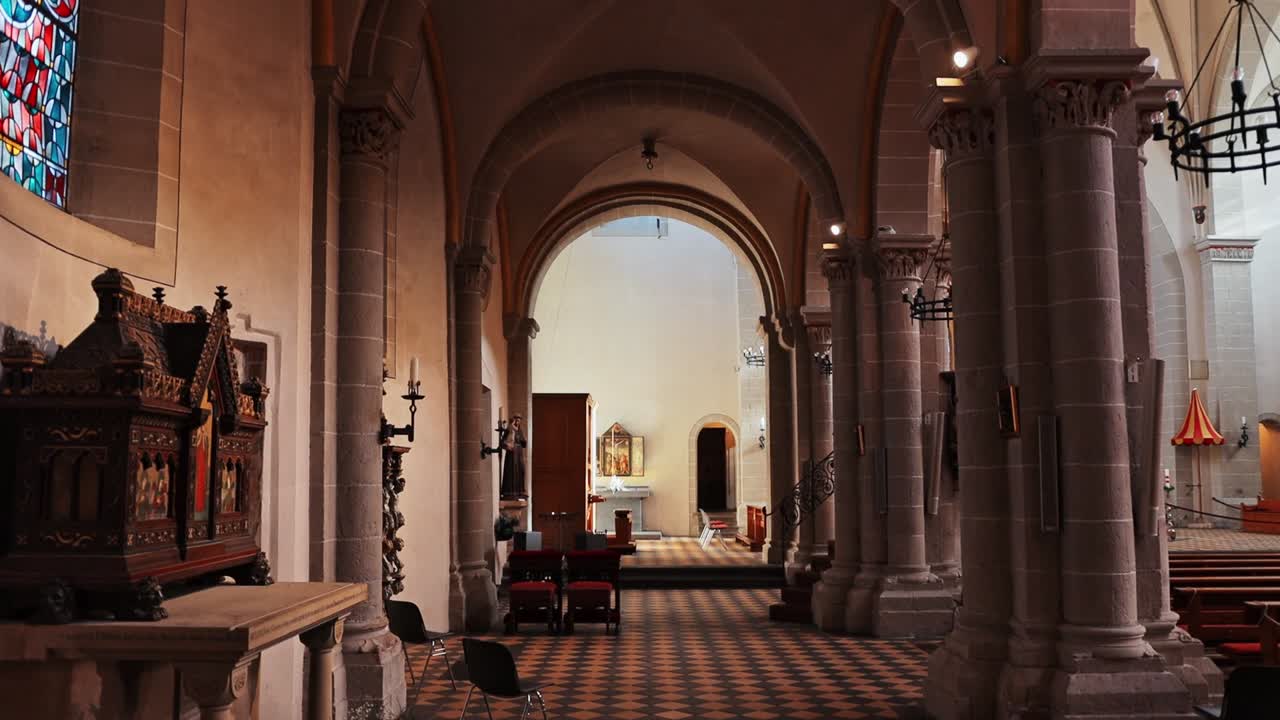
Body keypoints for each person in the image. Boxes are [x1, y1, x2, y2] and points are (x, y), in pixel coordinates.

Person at [500, 415, 528, 499]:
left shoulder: (519, 431)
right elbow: (502, 443)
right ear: (513, 421)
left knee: (520, 471)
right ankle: (509, 493)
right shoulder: (509, 430)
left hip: (519, 454)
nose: (517, 422)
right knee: (511, 471)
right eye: (516, 420)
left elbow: (523, 444)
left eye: (519, 421)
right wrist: (508, 446)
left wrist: (523, 440)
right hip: (511, 454)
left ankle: (519, 492)